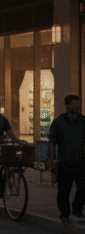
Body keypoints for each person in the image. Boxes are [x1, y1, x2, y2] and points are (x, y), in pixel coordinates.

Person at [48, 95, 85, 224]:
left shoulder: (82, 121)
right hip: (63, 162)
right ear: (66, 105)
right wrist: (52, 159)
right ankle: (65, 214)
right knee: (64, 191)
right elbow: (52, 141)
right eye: (73, 103)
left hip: (80, 161)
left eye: (77, 103)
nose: (76, 106)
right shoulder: (58, 121)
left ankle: (77, 209)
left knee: (83, 187)